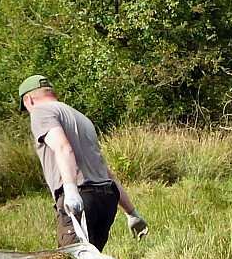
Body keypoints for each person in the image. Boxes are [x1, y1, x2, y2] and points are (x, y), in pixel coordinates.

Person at [17, 75, 149, 250]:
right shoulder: (82, 118)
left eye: (25, 107)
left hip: (80, 197)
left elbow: (63, 148)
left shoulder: (41, 112)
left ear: (29, 99)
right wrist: (132, 213)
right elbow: (106, 172)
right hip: (106, 198)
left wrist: (70, 190)